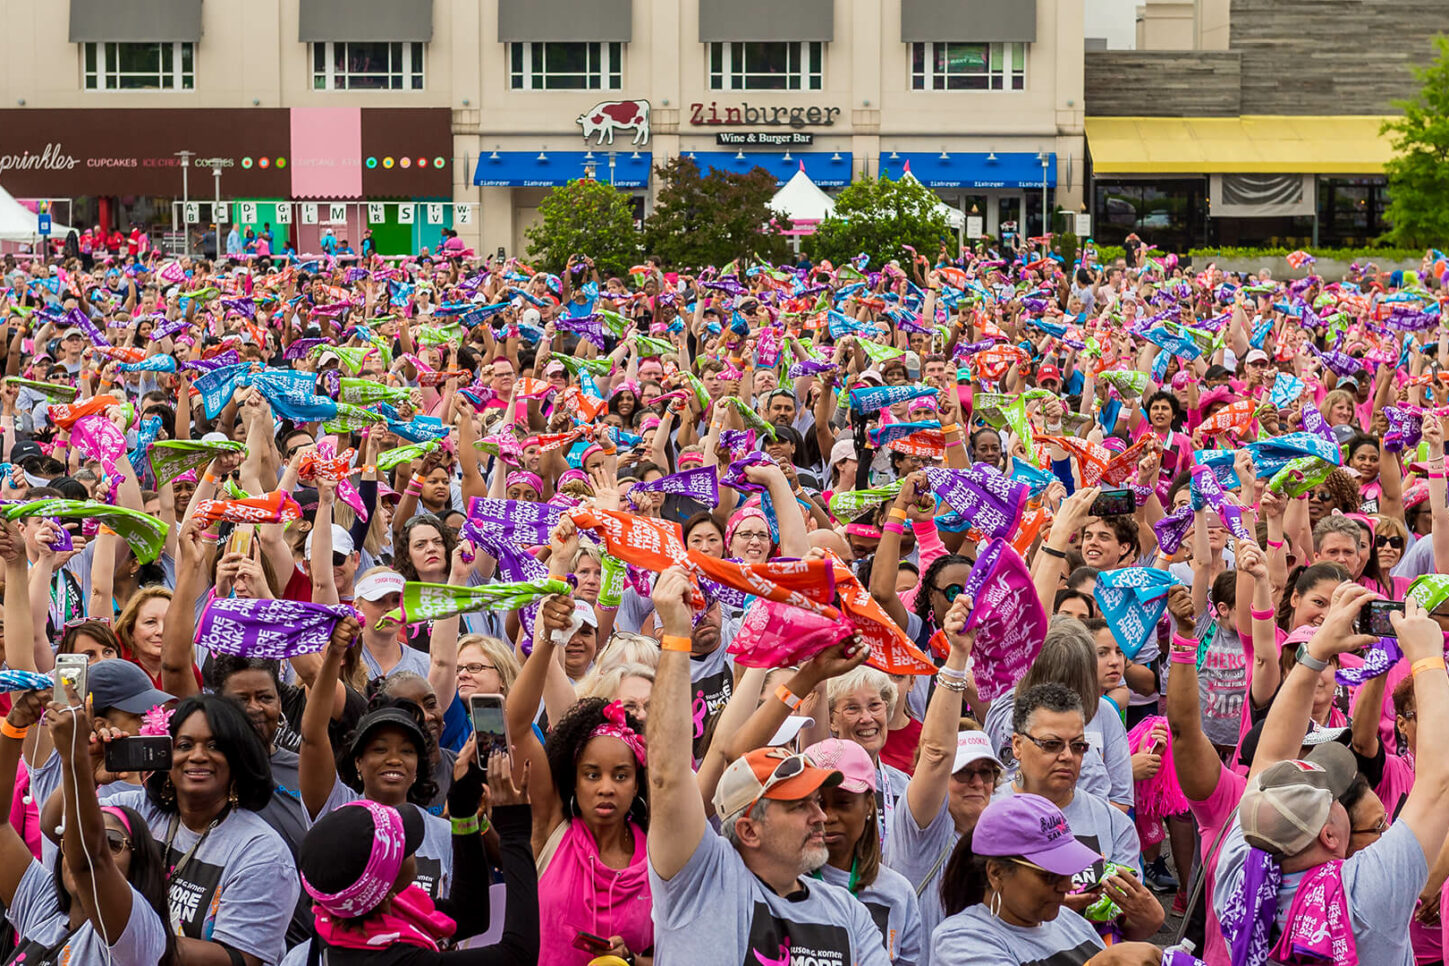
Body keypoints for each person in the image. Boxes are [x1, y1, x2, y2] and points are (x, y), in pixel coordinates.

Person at [646, 566, 891, 966]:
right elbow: (668, 775)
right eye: (799, 805)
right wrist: (676, 636)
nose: (820, 814)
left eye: (815, 800)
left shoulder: (848, 915)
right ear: (748, 829)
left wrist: (811, 674)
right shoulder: (700, 879)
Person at [1214, 586, 1449, 966]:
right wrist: (1427, 659)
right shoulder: (1367, 894)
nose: (1339, 795)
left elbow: (1270, 754)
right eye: (1333, 799)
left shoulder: (1241, 874)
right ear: (1330, 835)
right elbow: (1441, 781)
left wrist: (1318, 649)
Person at [285, 751, 539, 965]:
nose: (416, 846)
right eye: (405, 845)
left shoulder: (348, 917)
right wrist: (514, 834)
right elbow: (518, 955)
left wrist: (463, 811)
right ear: (383, 885)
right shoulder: (395, 958)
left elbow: (470, 914)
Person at [0, 687, 174, 966]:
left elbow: (91, 862)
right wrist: (15, 725)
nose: (82, 850)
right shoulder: (45, 906)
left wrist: (74, 756)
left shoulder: (136, 935)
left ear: (139, 862)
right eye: (71, 843)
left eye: (112, 843)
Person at [931, 794, 1163, 966]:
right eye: (1050, 875)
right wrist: (1101, 963)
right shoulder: (959, 940)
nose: (1065, 885)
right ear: (996, 874)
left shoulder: (1071, 923)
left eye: (1069, 870)